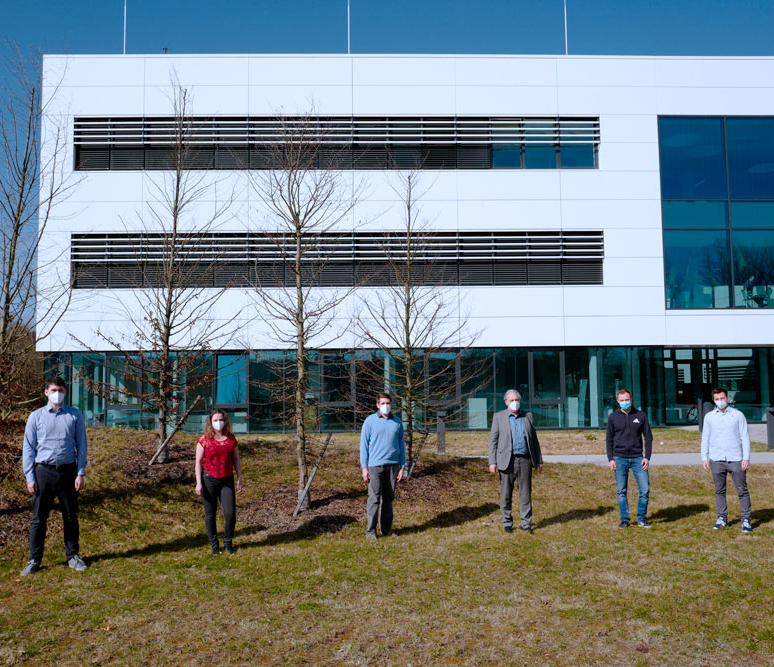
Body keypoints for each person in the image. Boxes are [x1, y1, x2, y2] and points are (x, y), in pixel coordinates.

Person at [20, 376, 88, 576]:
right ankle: (34, 560)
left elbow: (82, 445)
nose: (57, 393)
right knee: (39, 519)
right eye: (53, 390)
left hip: (68, 471)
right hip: (43, 472)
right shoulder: (36, 416)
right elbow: (28, 448)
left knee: (70, 516)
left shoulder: (75, 415)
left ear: (65, 392)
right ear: (46, 392)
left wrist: (81, 472)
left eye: (61, 390)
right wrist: (29, 476)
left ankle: (73, 556)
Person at [488, 389, 543, 534]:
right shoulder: (499, 417)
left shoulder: (527, 416)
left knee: (525, 493)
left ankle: (526, 523)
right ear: (506, 402)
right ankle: (507, 522)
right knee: (506, 494)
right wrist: (492, 462)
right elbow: (493, 441)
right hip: (507, 461)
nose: (514, 403)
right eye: (511, 400)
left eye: (517, 400)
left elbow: (534, 440)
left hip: (525, 460)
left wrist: (539, 460)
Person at [701, 387, 752, 534]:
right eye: (717, 399)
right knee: (719, 490)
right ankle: (722, 518)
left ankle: (746, 520)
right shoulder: (709, 417)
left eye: (722, 398)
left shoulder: (737, 415)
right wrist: (704, 457)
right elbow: (706, 438)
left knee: (742, 490)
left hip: (736, 458)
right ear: (714, 400)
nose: (720, 401)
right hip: (717, 459)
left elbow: (745, 437)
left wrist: (746, 458)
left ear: (727, 398)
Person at [195, 409, 244, 554]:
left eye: (220, 420)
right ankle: (214, 546)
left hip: (227, 480)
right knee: (210, 514)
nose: (218, 423)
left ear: (225, 421)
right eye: (215, 420)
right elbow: (198, 461)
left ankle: (228, 544)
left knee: (230, 514)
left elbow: (236, 459)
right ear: (210, 422)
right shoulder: (204, 439)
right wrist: (198, 482)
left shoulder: (231, 439)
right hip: (209, 480)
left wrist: (240, 477)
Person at [360, 392, 405, 539]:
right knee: (374, 499)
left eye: (388, 403)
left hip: (393, 466)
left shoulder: (397, 422)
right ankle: (371, 531)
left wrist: (402, 466)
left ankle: (386, 530)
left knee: (388, 499)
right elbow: (363, 446)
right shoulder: (370, 421)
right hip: (375, 466)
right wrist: (364, 467)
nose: (386, 406)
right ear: (377, 405)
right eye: (383, 403)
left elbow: (401, 446)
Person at [606, 389, 653, 529]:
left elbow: (648, 437)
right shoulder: (613, 417)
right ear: (618, 401)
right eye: (622, 400)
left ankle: (642, 518)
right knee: (621, 491)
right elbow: (609, 439)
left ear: (631, 399)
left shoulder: (641, 415)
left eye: (627, 400)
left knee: (644, 490)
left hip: (638, 458)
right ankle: (624, 519)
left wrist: (647, 457)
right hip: (619, 458)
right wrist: (611, 459)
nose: (625, 403)